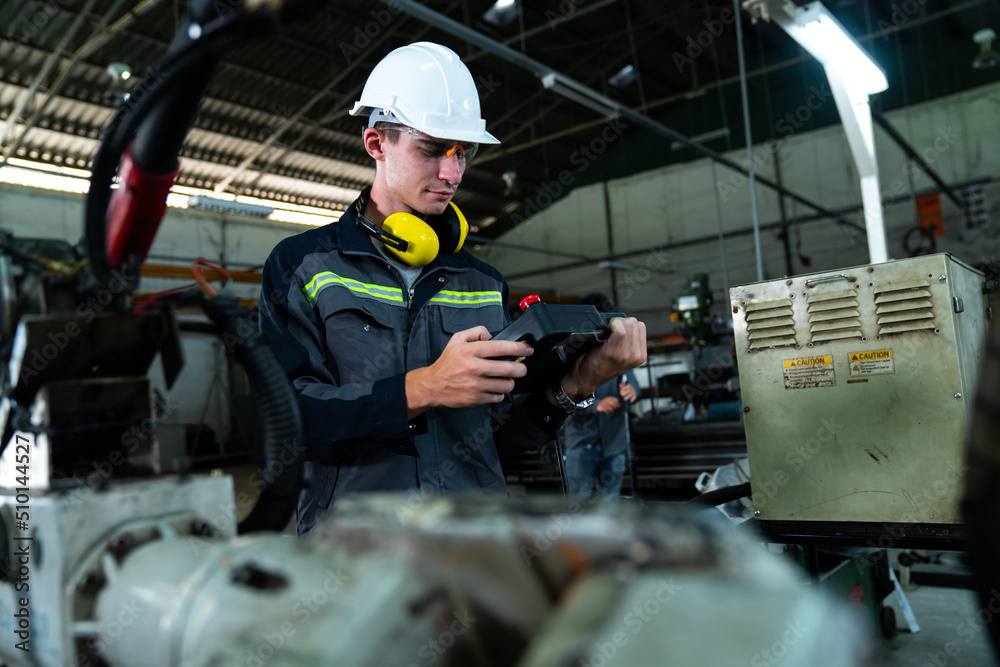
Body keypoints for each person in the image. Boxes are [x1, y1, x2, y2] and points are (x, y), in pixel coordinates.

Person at [258, 42, 646, 534]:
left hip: (474, 547)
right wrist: (421, 388)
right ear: (377, 144)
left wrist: (579, 383)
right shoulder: (303, 266)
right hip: (356, 552)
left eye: (462, 152)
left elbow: (496, 436)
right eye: (431, 149)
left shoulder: (482, 281)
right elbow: (288, 423)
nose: (452, 174)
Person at [560, 294, 639, 500]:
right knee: (578, 504)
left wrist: (632, 391)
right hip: (581, 442)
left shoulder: (617, 353)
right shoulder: (570, 355)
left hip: (614, 442)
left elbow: (633, 382)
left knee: (609, 504)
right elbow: (561, 400)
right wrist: (596, 406)